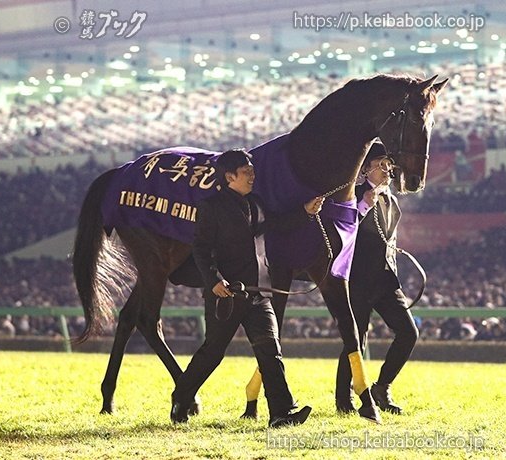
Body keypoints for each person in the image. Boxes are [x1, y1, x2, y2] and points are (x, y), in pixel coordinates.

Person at [171, 148, 323, 427]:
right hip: (227, 295)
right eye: (246, 172)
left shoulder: (256, 203)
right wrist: (214, 281)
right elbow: (201, 250)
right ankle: (181, 397)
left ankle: (281, 413)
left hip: (259, 293)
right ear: (229, 176)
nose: (253, 175)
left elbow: (276, 225)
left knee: (270, 352)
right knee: (212, 353)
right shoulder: (211, 207)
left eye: (252, 170)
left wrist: (305, 211)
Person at [335, 141, 419, 415]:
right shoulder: (353, 194)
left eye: (388, 164)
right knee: (355, 340)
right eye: (381, 165)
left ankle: (381, 387)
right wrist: (361, 206)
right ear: (365, 169)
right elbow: (342, 231)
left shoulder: (391, 199)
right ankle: (343, 398)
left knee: (408, 332)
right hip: (357, 279)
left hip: (385, 279)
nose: (387, 170)